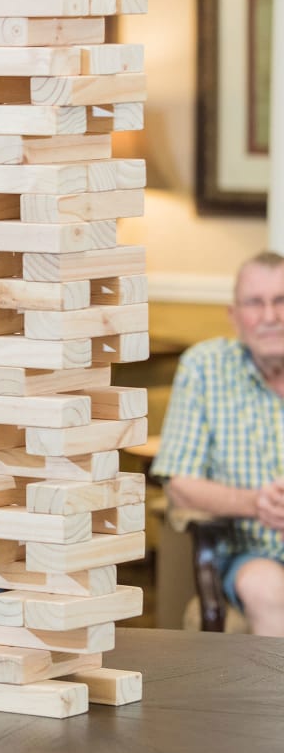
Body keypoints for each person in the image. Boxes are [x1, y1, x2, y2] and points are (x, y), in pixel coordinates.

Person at [152, 250, 284, 636]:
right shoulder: (205, 368)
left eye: (281, 301)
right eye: (255, 303)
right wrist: (257, 504)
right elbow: (179, 483)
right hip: (251, 554)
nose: (270, 316)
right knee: (267, 588)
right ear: (234, 315)